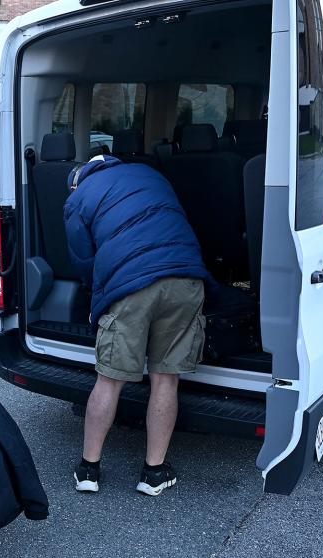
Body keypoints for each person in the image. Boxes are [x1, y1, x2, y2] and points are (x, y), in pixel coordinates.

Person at [63, 154, 212, 496]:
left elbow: (84, 261)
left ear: (76, 180)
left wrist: (97, 298)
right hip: (186, 277)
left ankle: (89, 470)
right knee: (165, 380)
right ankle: (154, 473)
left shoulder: (78, 197)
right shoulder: (150, 172)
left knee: (110, 380)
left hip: (131, 287)